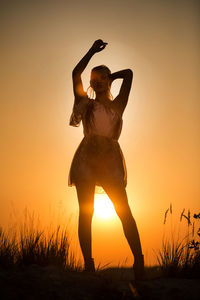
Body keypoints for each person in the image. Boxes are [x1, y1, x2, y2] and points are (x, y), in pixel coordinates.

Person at [68, 39, 144, 279]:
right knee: (85, 213)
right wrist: (91, 50)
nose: (97, 82)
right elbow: (75, 73)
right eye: (95, 79)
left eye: (102, 79)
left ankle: (139, 262)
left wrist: (110, 76)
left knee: (124, 211)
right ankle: (88, 265)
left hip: (110, 161)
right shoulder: (86, 104)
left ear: (108, 81)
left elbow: (129, 74)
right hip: (86, 160)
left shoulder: (118, 104)